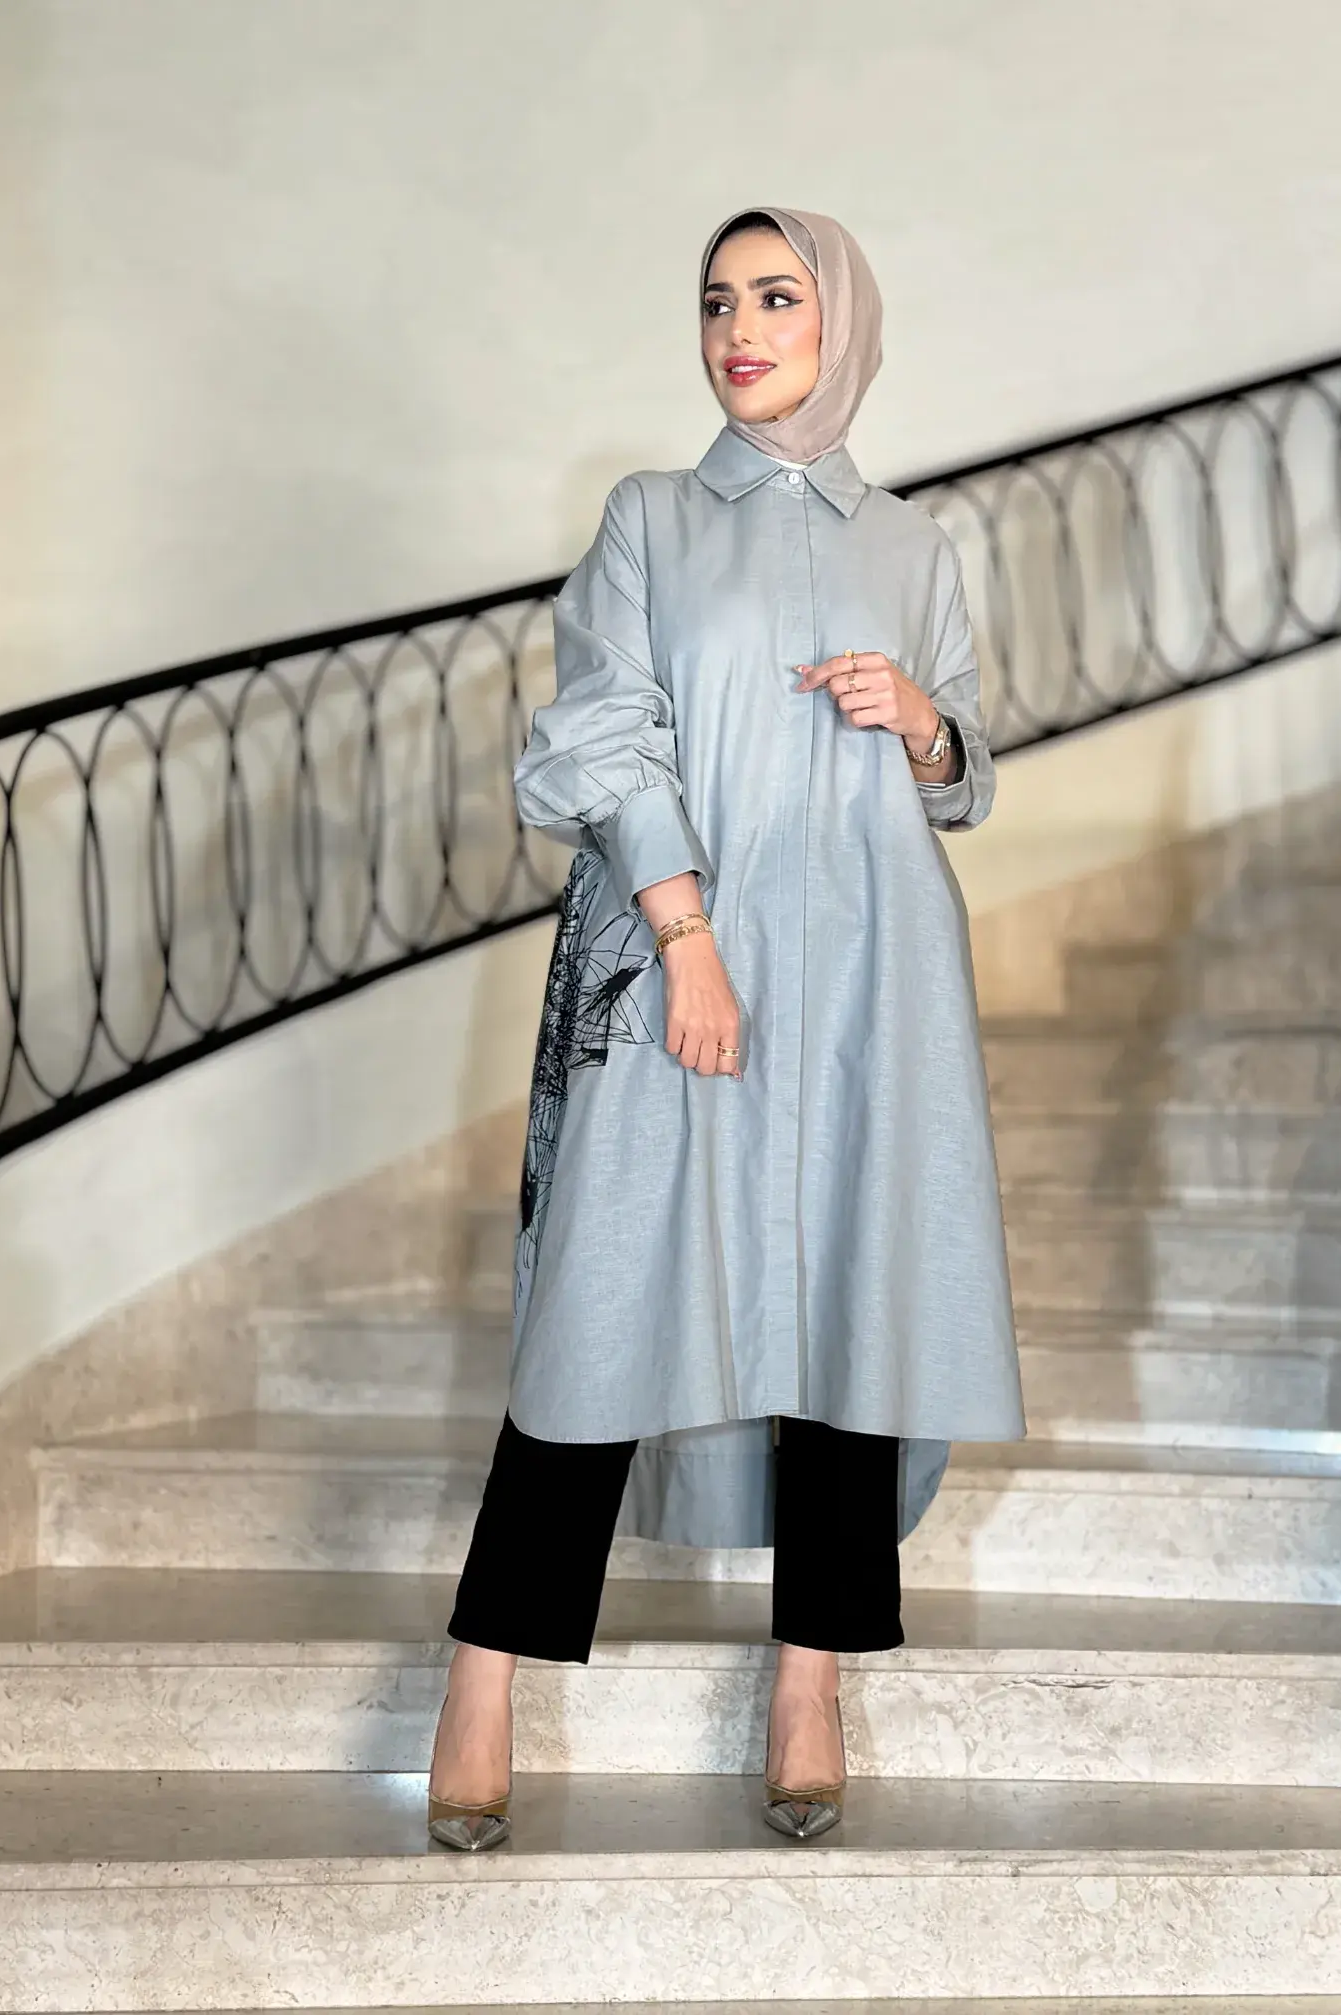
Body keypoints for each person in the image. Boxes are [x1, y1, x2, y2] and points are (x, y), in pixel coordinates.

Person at [427, 205, 1025, 1851]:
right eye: (717, 302)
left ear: (841, 323)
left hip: (877, 977)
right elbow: (601, 732)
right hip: (688, 963)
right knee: (600, 1301)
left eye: (776, 298)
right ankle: (482, 1672)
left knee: (848, 1310)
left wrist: (927, 723)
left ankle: (810, 1682)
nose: (740, 330)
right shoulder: (650, 519)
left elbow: (962, 776)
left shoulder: (916, 547)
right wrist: (687, 941)